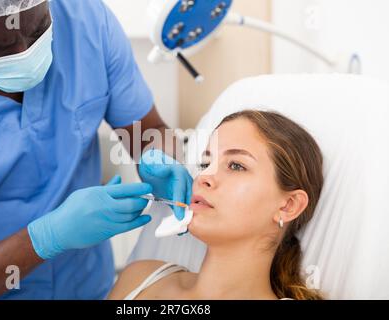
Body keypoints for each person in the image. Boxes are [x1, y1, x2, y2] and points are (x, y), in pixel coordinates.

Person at [0, 0, 192, 299]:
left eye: (37, 30)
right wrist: (45, 239)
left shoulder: (87, 20)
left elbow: (151, 132)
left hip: (89, 285)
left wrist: (159, 156)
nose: (25, 53)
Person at [109, 110, 325, 300]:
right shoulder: (139, 278)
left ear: (288, 205)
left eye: (236, 165)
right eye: (205, 163)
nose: (203, 176)